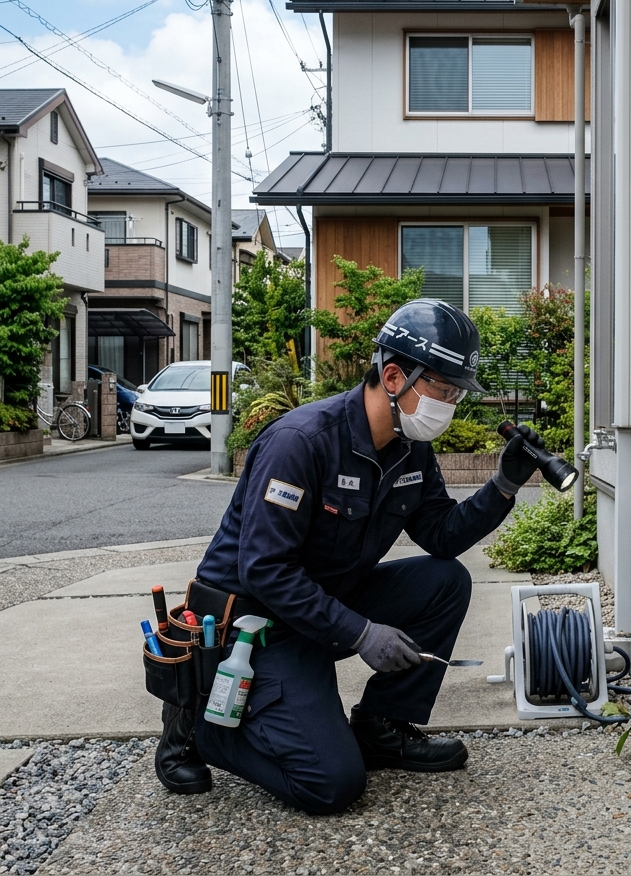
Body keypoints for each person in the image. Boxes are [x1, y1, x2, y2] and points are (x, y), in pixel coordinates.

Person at [154, 298, 547, 814]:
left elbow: (441, 536)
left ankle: (382, 726)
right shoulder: (301, 442)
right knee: (332, 785)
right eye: (443, 389)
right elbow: (265, 570)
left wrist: (503, 484)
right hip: (256, 625)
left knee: (445, 580)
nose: (450, 404)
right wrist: (361, 633)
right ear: (392, 376)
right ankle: (203, 728)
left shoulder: (410, 448)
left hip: (325, 607)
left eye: (455, 393)